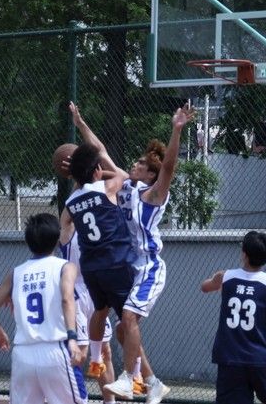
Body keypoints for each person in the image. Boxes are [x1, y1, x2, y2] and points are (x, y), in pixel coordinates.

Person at [69, 101, 193, 404]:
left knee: (127, 318)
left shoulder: (153, 195)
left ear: (150, 175)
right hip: (126, 265)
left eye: (140, 164)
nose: (134, 165)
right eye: (135, 162)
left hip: (149, 266)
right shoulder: (123, 186)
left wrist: (176, 130)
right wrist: (80, 123)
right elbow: (100, 152)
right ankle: (152, 383)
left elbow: (169, 168)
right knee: (124, 330)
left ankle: (129, 379)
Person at [61, 141, 143, 400]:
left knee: (104, 339)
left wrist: (79, 173)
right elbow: (122, 175)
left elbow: (75, 203)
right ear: (96, 171)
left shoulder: (72, 205)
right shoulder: (104, 190)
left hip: (92, 274)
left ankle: (109, 394)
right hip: (95, 278)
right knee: (128, 322)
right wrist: (92, 170)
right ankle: (135, 376)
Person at [0, 213, 85, 404]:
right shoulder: (65, 267)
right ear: (57, 239)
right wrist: (72, 338)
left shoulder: (15, 273)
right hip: (55, 349)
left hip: (23, 354)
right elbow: (67, 299)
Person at [201, 231, 266, 404]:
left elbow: (204, 287)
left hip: (230, 358)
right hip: (259, 358)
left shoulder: (226, 276)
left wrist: (217, 280)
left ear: (244, 254)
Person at [59, 209, 116, 404]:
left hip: (96, 291)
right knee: (80, 351)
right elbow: (68, 211)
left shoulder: (100, 227)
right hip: (75, 293)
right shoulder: (69, 229)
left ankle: (110, 402)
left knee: (105, 351)